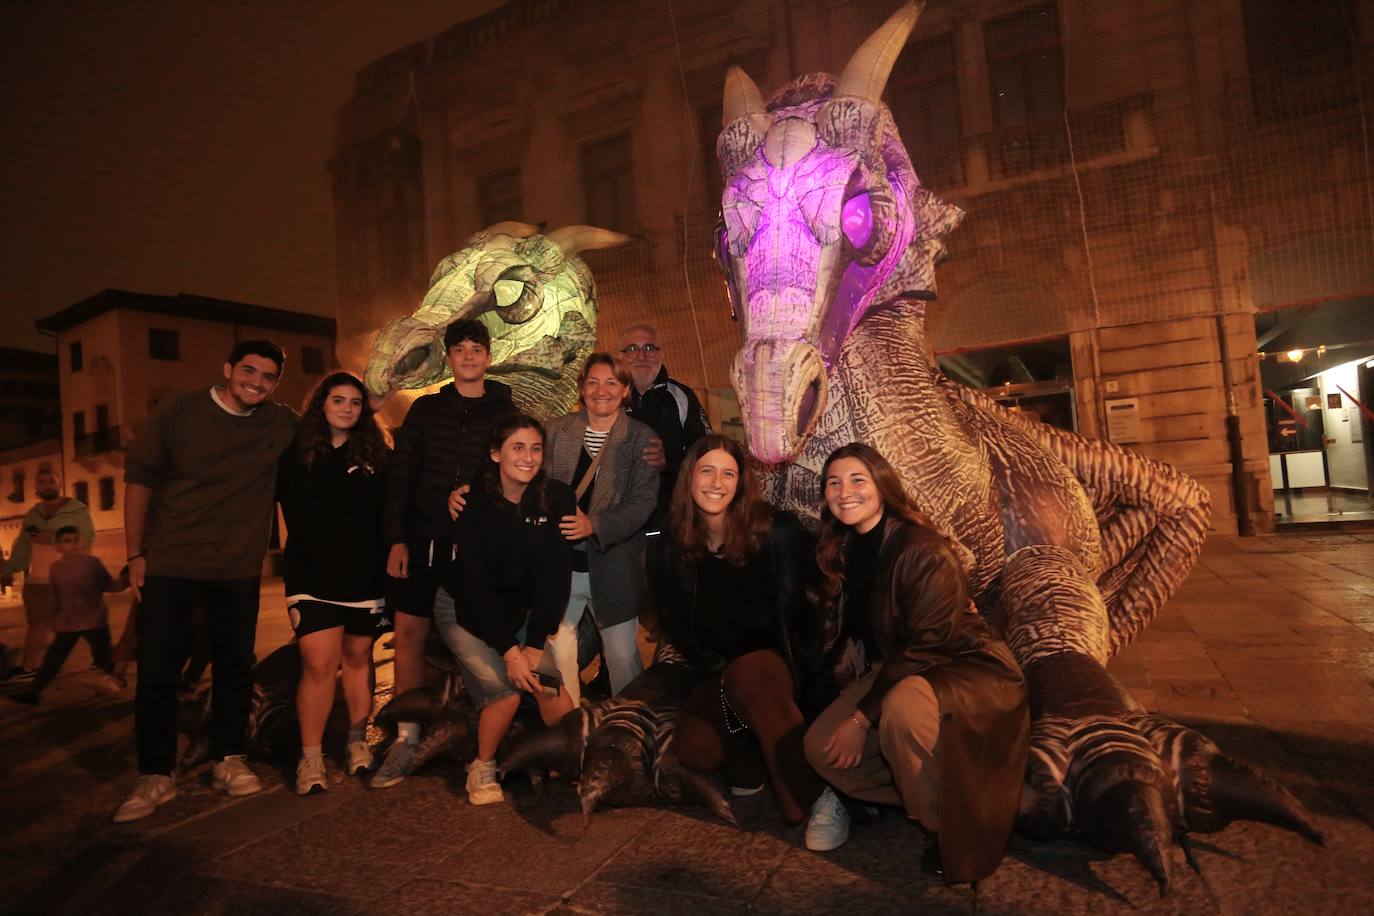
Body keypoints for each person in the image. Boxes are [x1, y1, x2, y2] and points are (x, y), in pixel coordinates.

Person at [802, 443, 1029, 883]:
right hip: (903, 667)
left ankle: (954, 827)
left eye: (857, 480)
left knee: (900, 712)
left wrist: (861, 718)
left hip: (965, 666)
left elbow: (929, 645)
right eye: (833, 482)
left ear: (883, 487)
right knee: (819, 748)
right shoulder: (845, 546)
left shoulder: (920, 546)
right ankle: (929, 792)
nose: (844, 491)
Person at [115, 340, 298, 823]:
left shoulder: (280, 423)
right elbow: (139, 481)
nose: (256, 382)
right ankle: (155, 773)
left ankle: (228, 759)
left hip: (236, 568)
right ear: (227, 369)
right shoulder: (179, 412)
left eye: (267, 377)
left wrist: (379, 400)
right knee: (156, 672)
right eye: (249, 371)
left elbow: (334, 424)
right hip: (171, 562)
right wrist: (134, 552)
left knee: (235, 666)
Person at [648, 435, 833, 836]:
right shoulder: (668, 546)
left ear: (740, 483)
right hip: (722, 670)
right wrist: (718, 670)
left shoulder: (776, 530)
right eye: (707, 470)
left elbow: (829, 580)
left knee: (751, 678)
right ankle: (752, 758)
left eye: (728, 473)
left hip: (782, 663)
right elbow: (674, 623)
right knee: (695, 746)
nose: (717, 482)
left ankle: (818, 799)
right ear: (689, 479)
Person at [373, 319, 515, 789]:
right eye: (460, 349)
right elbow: (401, 476)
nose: (469, 356)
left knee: (479, 633)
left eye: (477, 348)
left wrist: (475, 490)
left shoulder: (504, 409)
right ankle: (406, 736)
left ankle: (491, 731)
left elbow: (513, 473)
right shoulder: (425, 410)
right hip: (420, 539)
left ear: (489, 356)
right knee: (409, 634)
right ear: (449, 358)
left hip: (474, 546)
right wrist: (396, 538)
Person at [433, 414, 576, 805]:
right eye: (517, 447)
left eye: (535, 448)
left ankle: (570, 760)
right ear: (495, 453)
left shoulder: (557, 498)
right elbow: (476, 588)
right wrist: (510, 652)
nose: (528, 457)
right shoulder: (471, 503)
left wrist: (531, 646)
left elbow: (555, 576)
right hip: (465, 609)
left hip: (521, 610)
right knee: (506, 693)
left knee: (546, 684)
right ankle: (481, 765)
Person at [278, 371, 392, 794]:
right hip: (310, 577)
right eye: (337, 400)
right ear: (320, 404)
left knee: (359, 662)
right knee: (318, 664)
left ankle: (356, 742)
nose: (346, 408)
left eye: (355, 402)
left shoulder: (378, 454)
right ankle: (310, 759)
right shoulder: (296, 451)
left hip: (364, 578)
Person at [543, 353, 659, 703]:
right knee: (560, 656)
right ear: (581, 388)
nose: (601, 390)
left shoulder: (642, 439)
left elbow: (643, 503)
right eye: (593, 381)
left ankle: (628, 729)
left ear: (625, 390)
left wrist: (593, 524)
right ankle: (571, 726)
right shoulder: (556, 431)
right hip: (561, 566)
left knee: (622, 656)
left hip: (614, 565)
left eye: (612, 382)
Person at [11, 526, 127, 704]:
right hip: (69, 622)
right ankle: (34, 691)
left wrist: (125, 579)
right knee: (54, 658)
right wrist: (53, 617)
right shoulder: (56, 568)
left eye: (75, 539)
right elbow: (55, 596)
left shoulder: (92, 562)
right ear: (58, 546)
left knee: (103, 658)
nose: (72, 545)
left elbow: (108, 585)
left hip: (93, 621)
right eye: (67, 541)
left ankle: (116, 682)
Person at [1, 467, 95, 682]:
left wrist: (52, 539)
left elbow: (87, 539)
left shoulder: (77, 511)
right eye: (42, 482)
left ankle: (104, 663)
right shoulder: (33, 515)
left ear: (59, 483)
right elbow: (23, 550)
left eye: (51, 481)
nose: (47, 485)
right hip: (38, 581)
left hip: (68, 579)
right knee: (37, 626)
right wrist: (6, 568)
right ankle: (28, 669)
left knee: (81, 625)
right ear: (36, 486)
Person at [619, 323, 710, 534]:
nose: (641, 356)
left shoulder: (682, 397)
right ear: (621, 356)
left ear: (661, 354)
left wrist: (666, 464)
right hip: (620, 525)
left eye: (650, 348)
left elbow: (706, 456)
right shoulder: (607, 399)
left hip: (673, 521)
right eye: (632, 349)